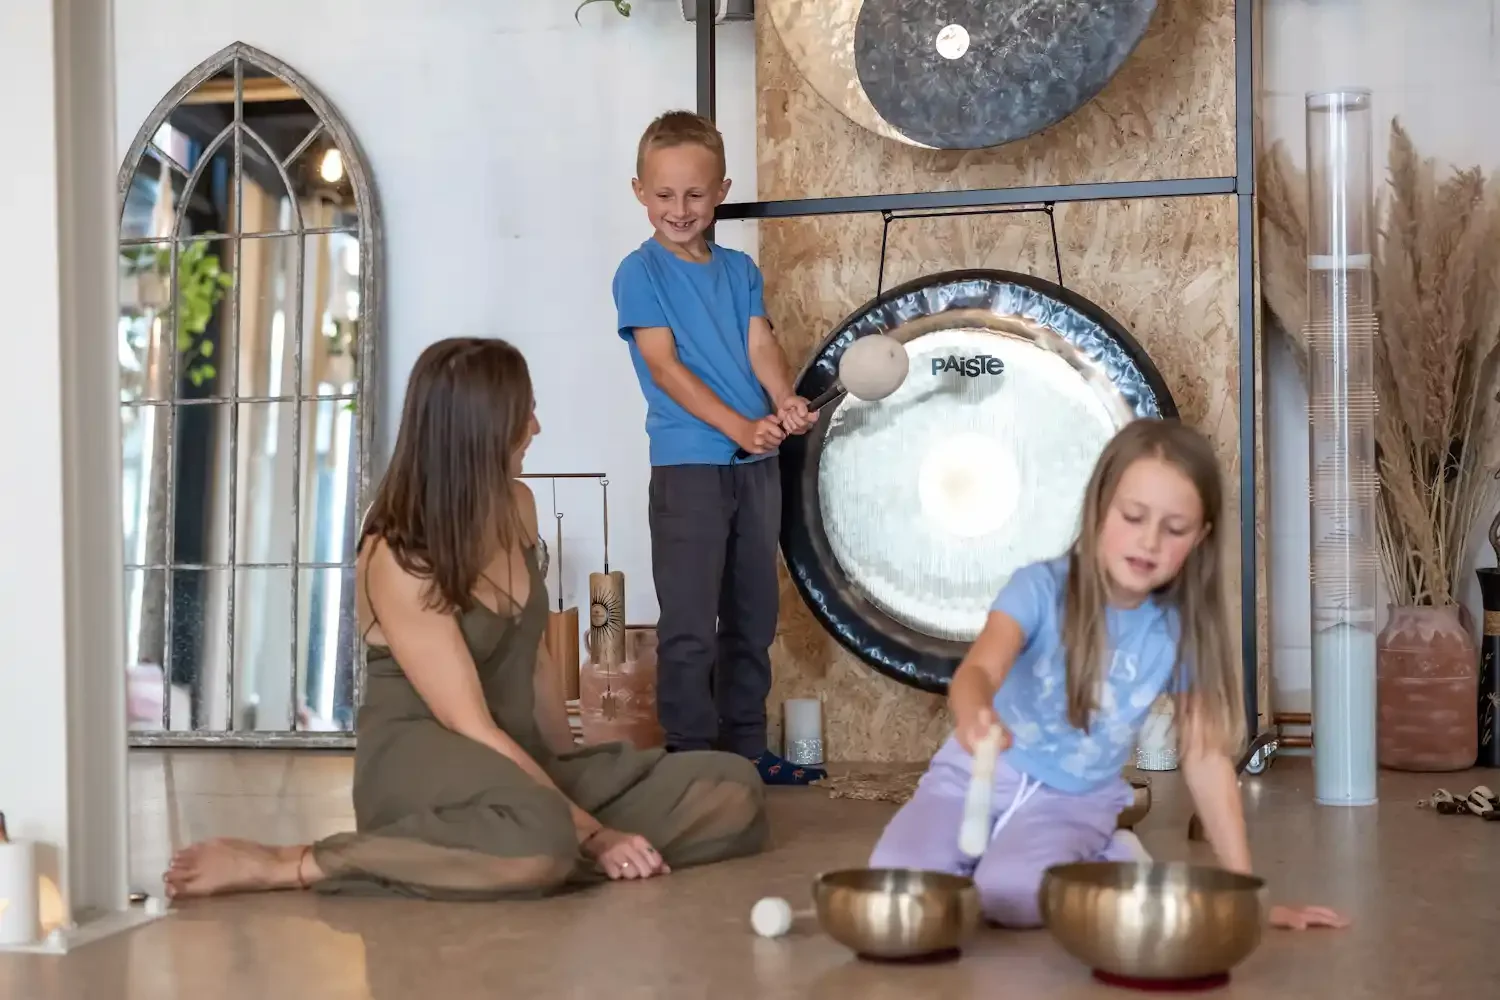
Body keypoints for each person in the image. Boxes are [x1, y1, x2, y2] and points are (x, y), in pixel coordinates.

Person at [163, 338, 768, 899]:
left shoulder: (519, 504)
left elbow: (535, 662)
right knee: (543, 837)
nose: (536, 427)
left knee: (730, 787)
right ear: (478, 433)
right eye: (522, 415)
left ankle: (500, 858)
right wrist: (594, 832)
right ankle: (297, 863)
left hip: (516, 756)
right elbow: (469, 723)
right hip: (431, 762)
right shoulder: (398, 552)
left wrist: (572, 768)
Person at [868, 419, 1349, 931]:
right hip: (972, 776)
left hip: (1074, 801)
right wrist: (973, 713)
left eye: (1175, 528)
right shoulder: (1037, 589)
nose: (1149, 541)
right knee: (898, 883)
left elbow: (1205, 756)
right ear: (1099, 504)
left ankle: (1107, 854)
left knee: (1009, 895)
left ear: (1201, 536)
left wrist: (1246, 896)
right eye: (1134, 515)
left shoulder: (1179, 631)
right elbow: (979, 670)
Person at [611, 110, 823, 785]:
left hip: (757, 469)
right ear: (639, 191)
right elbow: (667, 369)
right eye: (665, 194)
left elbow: (758, 342)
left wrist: (783, 398)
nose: (680, 209)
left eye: (695, 194)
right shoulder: (638, 272)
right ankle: (692, 759)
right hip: (689, 469)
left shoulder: (739, 270)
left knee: (753, 618)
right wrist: (738, 427)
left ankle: (746, 750)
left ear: (721, 190)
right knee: (690, 625)